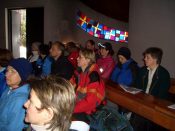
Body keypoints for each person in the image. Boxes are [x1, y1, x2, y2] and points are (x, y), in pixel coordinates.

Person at [130, 47, 170, 131]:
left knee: (138, 120)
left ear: (155, 59)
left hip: (154, 107)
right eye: (145, 57)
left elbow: (161, 98)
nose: (144, 59)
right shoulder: (142, 71)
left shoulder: (164, 74)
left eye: (147, 57)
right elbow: (136, 88)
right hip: (141, 103)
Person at [70, 48, 105, 122]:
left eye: (80, 57)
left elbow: (91, 103)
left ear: (88, 60)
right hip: (78, 104)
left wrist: (71, 109)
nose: (77, 58)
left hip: (91, 112)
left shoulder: (93, 76)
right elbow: (68, 86)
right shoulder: (78, 72)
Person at [0, 58, 32, 130]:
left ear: (23, 75)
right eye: (7, 70)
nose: (6, 74)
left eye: (13, 71)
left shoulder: (20, 100)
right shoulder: (9, 89)